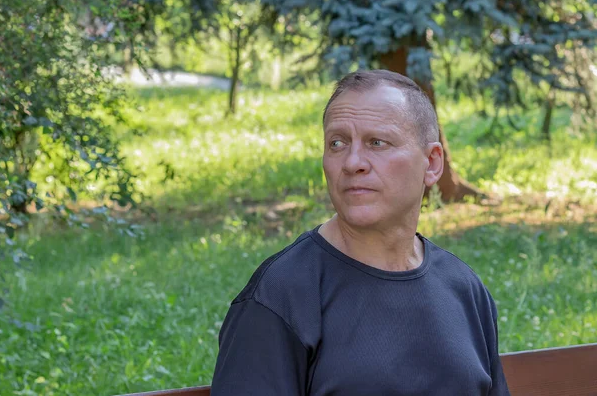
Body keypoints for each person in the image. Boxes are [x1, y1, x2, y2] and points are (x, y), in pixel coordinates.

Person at [210, 70, 510, 395]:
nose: (352, 163)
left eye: (376, 143)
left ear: (432, 163)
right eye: (337, 143)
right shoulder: (282, 296)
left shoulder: (463, 289)